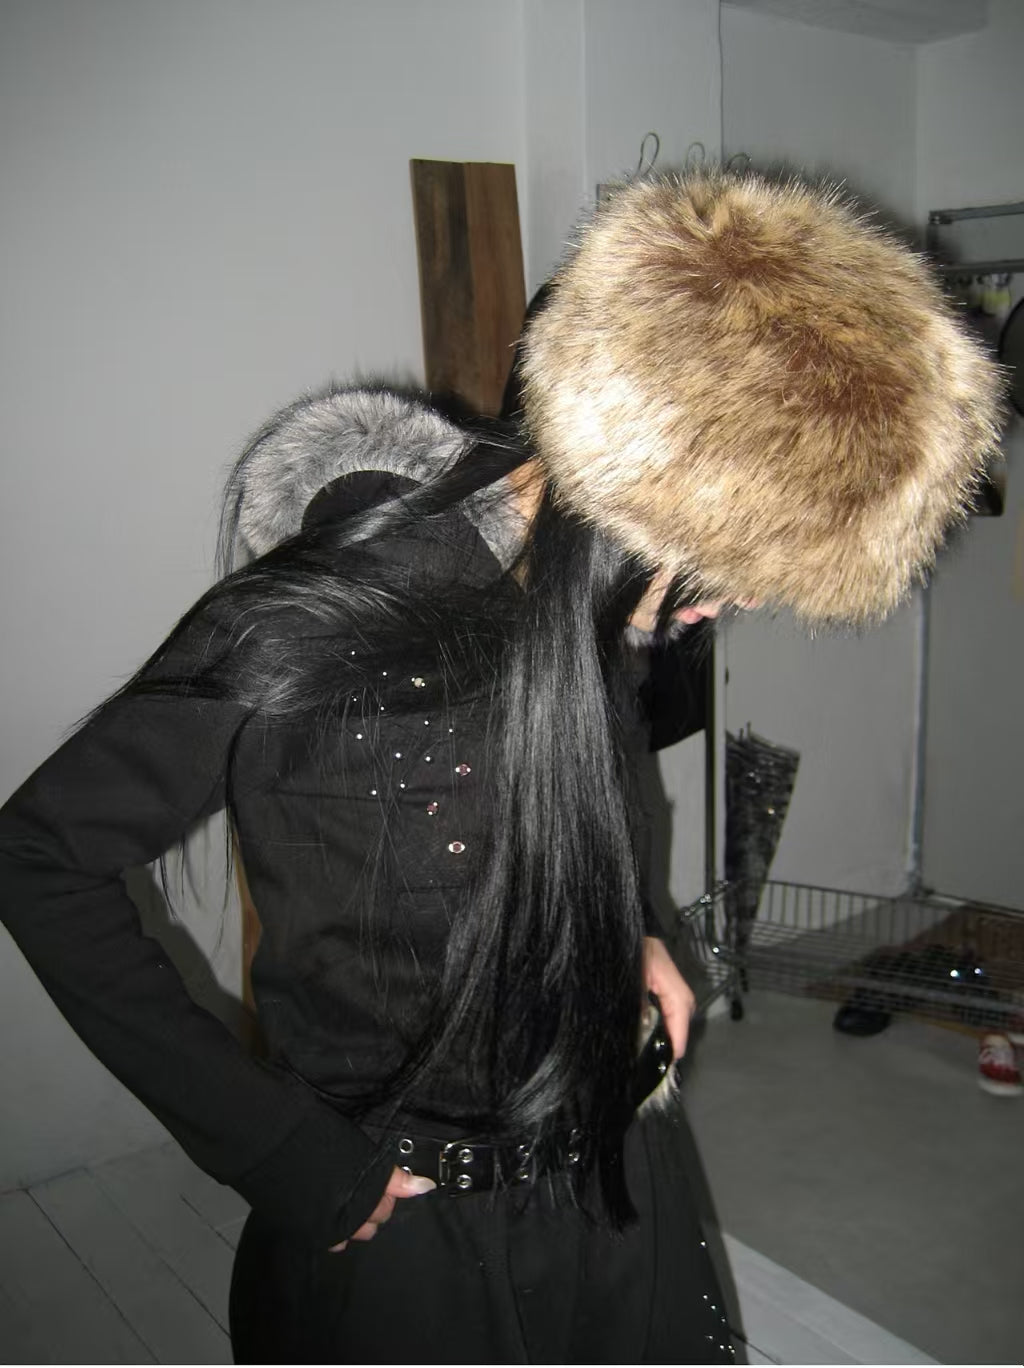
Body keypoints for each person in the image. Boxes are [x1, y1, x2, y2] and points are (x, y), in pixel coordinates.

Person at [0, 171, 1001, 1364]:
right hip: (405, 1230)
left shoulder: (589, 611)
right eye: (722, 570)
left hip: (613, 1162)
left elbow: (588, 799)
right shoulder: (305, 625)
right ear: (642, 495)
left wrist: (635, 933)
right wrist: (271, 1144)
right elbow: (38, 856)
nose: (724, 608)